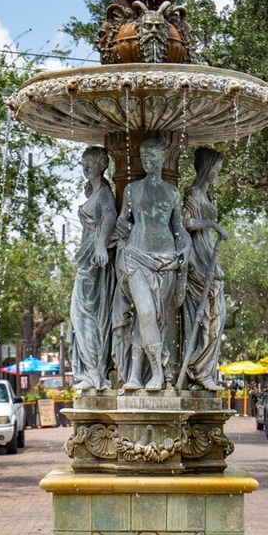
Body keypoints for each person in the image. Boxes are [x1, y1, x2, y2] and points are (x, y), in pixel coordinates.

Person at [112, 136, 189, 391]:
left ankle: (135, 374)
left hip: (166, 260)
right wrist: (113, 234)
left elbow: (177, 226)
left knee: (153, 319)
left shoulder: (172, 192)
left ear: (163, 158)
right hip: (136, 256)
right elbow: (123, 221)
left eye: (153, 157)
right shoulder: (133, 190)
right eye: (144, 157)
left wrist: (186, 244)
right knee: (145, 312)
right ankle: (157, 372)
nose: (148, 162)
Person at [178, 146, 230, 391]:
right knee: (205, 318)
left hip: (209, 255)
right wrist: (212, 224)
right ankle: (197, 370)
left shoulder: (207, 195)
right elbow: (186, 222)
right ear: (206, 168)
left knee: (218, 317)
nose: (218, 173)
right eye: (216, 168)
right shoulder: (193, 192)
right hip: (198, 259)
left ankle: (205, 369)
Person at [68, 146, 118, 391]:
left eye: (89, 162)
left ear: (102, 164)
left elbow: (110, 217)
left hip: (95, 259)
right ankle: (92, 371)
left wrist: (100, 245)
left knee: (89, 315)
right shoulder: (95, 193)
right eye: (83, 162)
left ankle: (95, 372)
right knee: (81, 315)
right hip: (86, 259)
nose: (85, 167)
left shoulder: (105, 194)